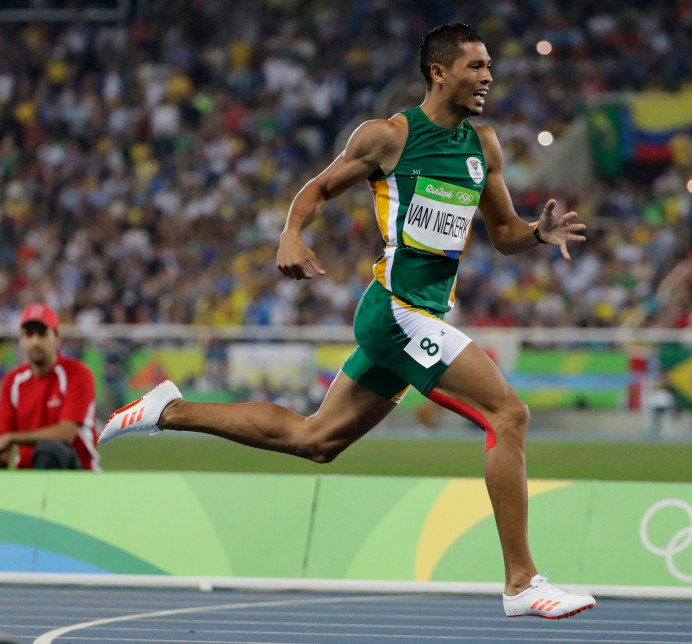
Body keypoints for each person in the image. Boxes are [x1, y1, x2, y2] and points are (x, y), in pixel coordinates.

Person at [98, 23, 595, 618]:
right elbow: (317, 190)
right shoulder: (388, 137)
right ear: (439, 72)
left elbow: (505, 233)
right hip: (395, 313)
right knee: (508, 414)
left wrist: (537, 233)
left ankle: (168, 410)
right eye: (476, 66)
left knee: (316, 440)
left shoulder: (483, 145)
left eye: (489, 66)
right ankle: (521, 583)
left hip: (419, 315)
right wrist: (291, 231)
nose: (488, 76)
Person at [0, 304, 100, 471]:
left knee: (49, 450)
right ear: (21, 340)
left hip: (77, 474)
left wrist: (12, 438)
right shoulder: (12, 381)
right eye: (29, 335)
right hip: (27, 474)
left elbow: (65, 433)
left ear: (57, 338)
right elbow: (3, 446)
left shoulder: (77, 374)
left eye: (42, 334)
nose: (35, 341)